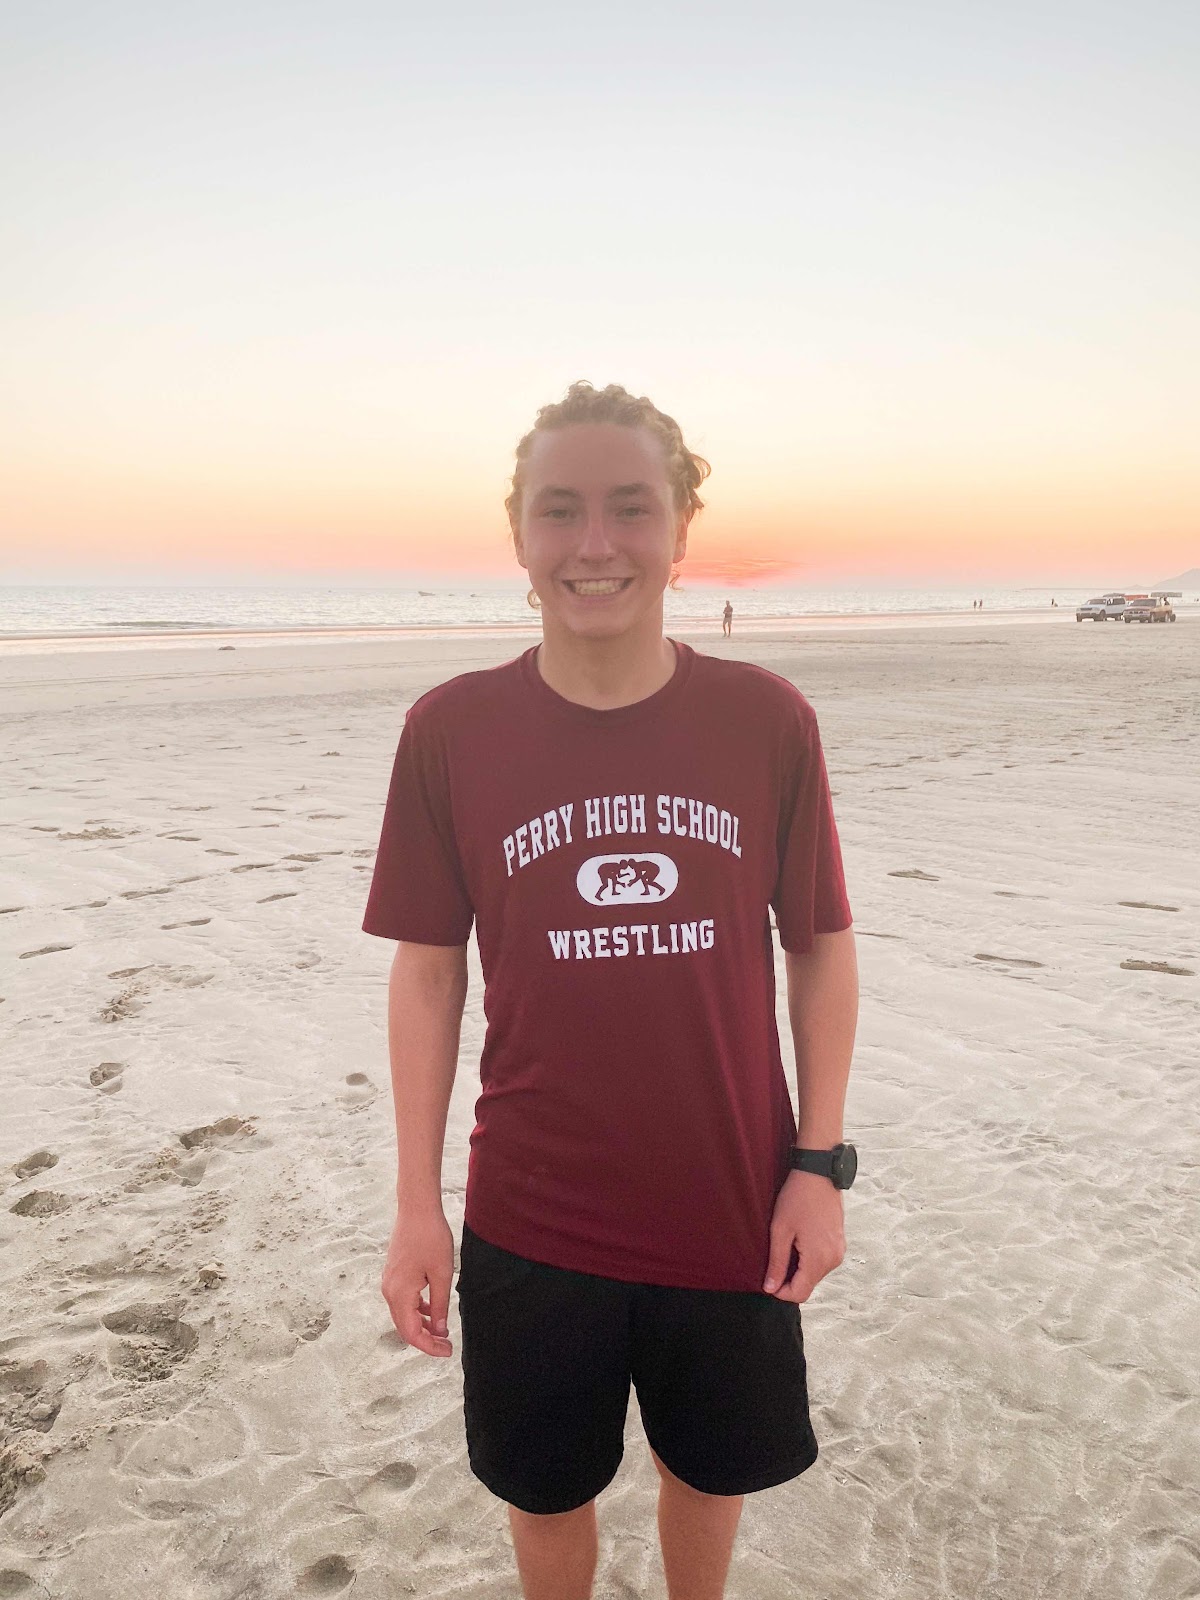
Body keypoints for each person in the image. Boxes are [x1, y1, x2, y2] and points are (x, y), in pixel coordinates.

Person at [363, 379, 859, 1600]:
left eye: (631, 507)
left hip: (730, 1205)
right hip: (533, 1216)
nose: (595, 543)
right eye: (560, 510)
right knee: (546, 1495)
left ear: (681, 530)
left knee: (709, 1472)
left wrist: (819, 1162)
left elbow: (821, 946)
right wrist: (418, 1203)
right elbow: (428, 973)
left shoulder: (764, 720)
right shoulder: (451, 731)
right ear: (519, 535)